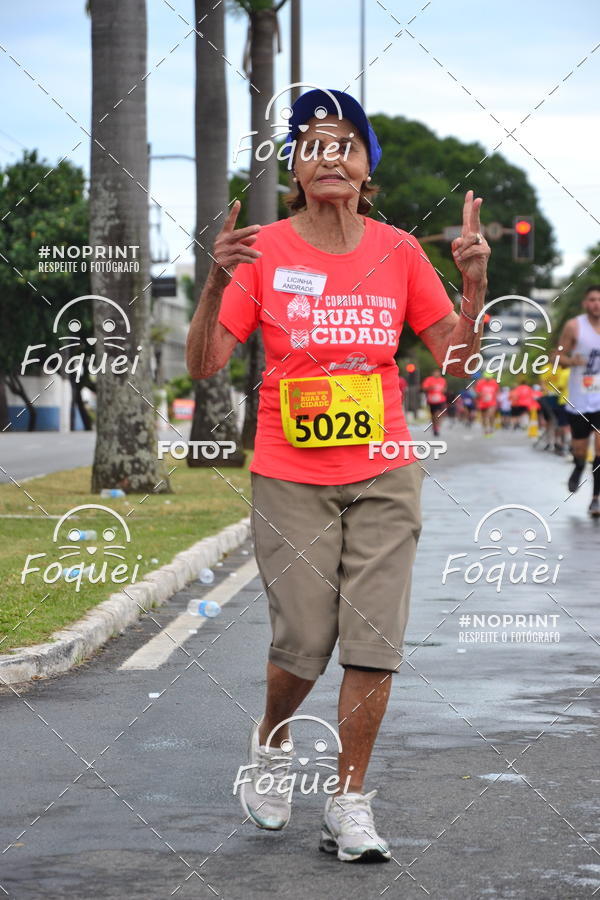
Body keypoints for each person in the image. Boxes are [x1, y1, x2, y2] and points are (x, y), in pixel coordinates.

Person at [186, 87, 490, 862]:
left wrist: (474, 289)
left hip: (385, 467)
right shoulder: (265, 253)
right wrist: (217, 282)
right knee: (304, 639)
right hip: (291, 474)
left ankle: (349, 802)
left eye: (346, 144)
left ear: (365, 170)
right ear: (295, 165)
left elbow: (452, 368)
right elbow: (208, 365)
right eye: (315, 143)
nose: (331, 156)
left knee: (374, 640)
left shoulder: (397, 251)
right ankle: (273, 741)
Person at [557, 285, 600, 516]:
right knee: (581, 449)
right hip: (580, 398)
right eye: (592, 299)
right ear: (585, 303)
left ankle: (596, 498)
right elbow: (558, 357)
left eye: (599, 300)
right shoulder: (575, 326)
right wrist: (572, 361)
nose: (596, 304)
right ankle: (578, 466)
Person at [421, 368, 447, 436]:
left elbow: (444, 389)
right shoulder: (429, 380)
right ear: (433, 373)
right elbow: (424, 388)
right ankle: (434, 427)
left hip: (441, 400)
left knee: (438, 414)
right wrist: (431, 388)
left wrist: (443, 390)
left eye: (438, 372)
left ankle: (437, 428)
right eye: (435, 372)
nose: (437, 374)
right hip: (432, 400)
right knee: (433, 415)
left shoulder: (442, 380)